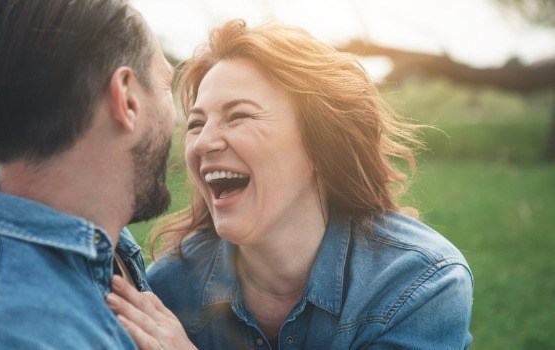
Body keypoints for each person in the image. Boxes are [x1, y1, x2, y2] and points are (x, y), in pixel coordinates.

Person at [108, 19, 473, 349]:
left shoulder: (418, 284)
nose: (203, 142)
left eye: (239, 116)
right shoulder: (169, 289)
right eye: (196, 124)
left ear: (320, 144)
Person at [0, 0, 193, 348]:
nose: (177, 120)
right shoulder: (16, 334)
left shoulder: (108, 248)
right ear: (126, 98)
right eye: (167, 85)